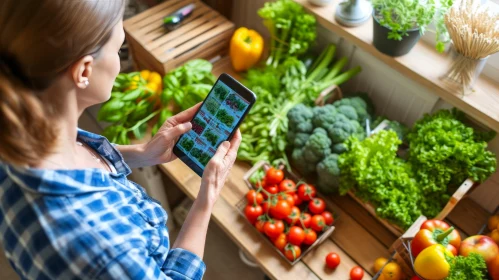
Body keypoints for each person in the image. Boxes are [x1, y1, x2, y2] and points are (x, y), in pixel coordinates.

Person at [0, 1, 241, 279]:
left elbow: (83, 162)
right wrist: (208, 193)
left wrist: (143, 153)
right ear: (84, 71)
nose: (119, 63)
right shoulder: (106, 249)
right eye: (119, 49)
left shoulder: (18, 134)